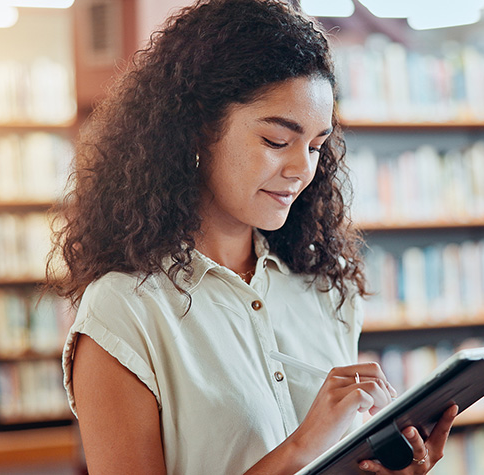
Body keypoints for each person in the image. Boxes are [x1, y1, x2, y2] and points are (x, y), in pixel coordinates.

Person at [50, 0, 457, 473]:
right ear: (197, 130)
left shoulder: (326, 289)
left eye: (316, 146)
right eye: (276, 141)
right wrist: (300, 449)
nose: (302, 170)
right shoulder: (123, 311)